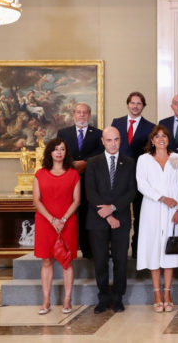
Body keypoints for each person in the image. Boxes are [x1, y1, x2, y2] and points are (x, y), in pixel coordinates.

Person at [135, 124, 178, 313]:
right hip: (152, 208)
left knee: (169, 251)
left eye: (164, 136)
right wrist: (162, 197)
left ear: (168, 139)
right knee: (153, 249)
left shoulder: (177, 158)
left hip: (173, 211)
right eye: (157, 136)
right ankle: (156, 293)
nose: (161, 139)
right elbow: (142, 184)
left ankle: (167, 293)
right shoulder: (144, 160)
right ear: (152, 140)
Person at [85, 127, 137, 314]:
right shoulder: (92, 163)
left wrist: (113, 209)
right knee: (100, 261)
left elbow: (132, 191)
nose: (113, 143)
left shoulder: (130, 163)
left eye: (116, 139)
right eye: (109, 140)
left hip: (121, 219)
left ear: (120, 140)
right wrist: (108, 215)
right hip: (98, 219)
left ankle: (117, 298)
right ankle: (103, 298)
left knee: (120, 260)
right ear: (102, 141)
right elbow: (90, 192)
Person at [33, 137, 81, 315]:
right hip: (45, 222)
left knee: (66, 261)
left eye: (62, 149)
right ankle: (46, 300)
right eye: (55, 149)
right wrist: (53, 220)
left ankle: (67, 300)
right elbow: (36, 200)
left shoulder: (73, 174)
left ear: (66, 152)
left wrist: (63, 219)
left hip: (67, 222)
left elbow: (77, 201)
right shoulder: (40, 174)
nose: (59, 152)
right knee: (46, 260)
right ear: (50, 152)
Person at [111, 91, 155, 258]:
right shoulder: (117, 122)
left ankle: (137, 248)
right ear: (128, 104)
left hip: (141, 176)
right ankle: (118, 248)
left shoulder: (151, 127)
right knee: (118, 211)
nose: (135, 106)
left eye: (139, 103)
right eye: (133, 103)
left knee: (139, 214)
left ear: (143, 106)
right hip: (119, 175)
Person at [57, 102, 104, 258]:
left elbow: (100, 155)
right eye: (79, 112)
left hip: (89, 181)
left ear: (89, 115)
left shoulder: (98, 134)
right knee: (66, 214)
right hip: (67, 180)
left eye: (85, 112)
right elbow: (58, 153)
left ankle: (87, 249)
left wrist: (86, 163)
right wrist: (72, 164)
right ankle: (65, 247)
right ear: (74, 114)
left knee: (85, 214)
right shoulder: (63, 133)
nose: (82, 115)